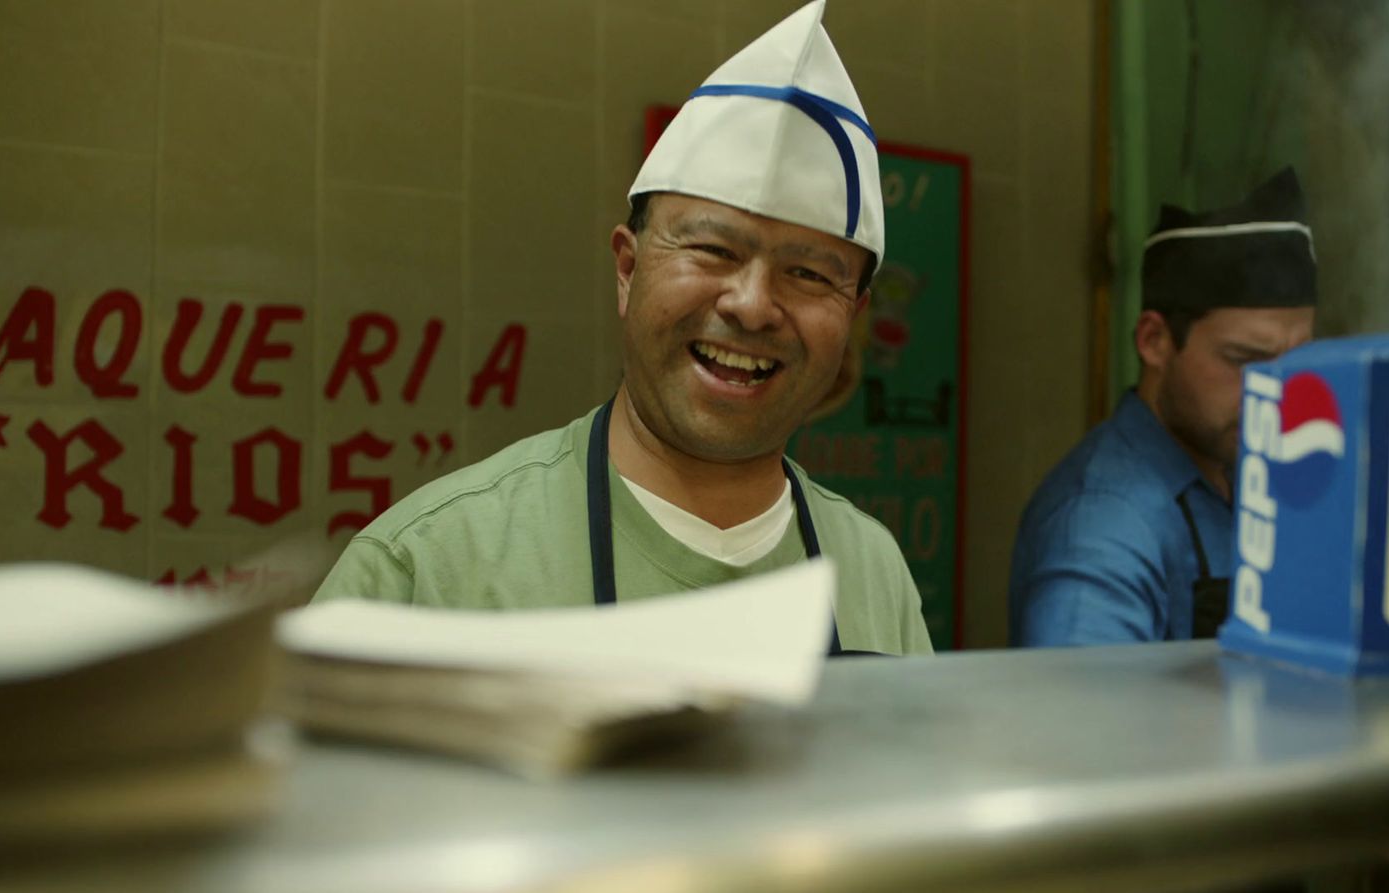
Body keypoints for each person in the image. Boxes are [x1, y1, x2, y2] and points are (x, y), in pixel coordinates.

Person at [313, 0, 932, 656]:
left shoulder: (873, 569)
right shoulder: (427, 568)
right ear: (628, 269)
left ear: (852, 320)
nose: (751, 306)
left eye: (808, 274)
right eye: (713, 251)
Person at [1009, 167, 1316, 646]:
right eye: (1244, 361)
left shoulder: (1242, 468)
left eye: (1296, 363)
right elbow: (1079, 715)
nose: (1276, 395)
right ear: (1154, 341)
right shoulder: (1103, 528)